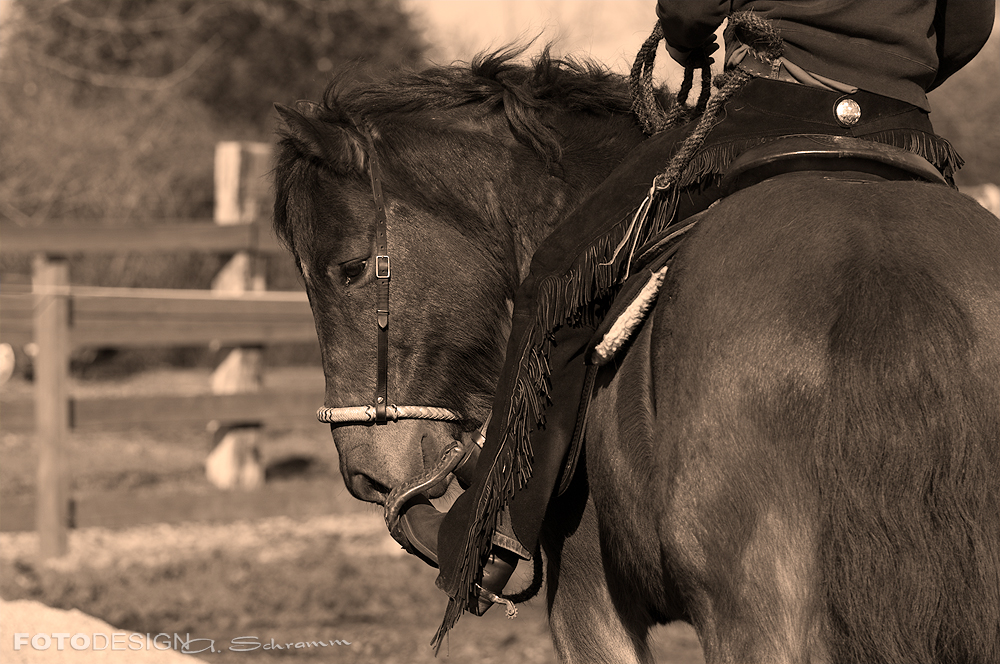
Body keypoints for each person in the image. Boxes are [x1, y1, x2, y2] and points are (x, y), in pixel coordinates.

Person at [416, 0, 995, 644]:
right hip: (900, 121)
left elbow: (693, 6)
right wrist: (892, 69)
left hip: (770, 109)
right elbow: (970, 25)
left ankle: (495, 536)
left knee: (558, 276)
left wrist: (688, 41)